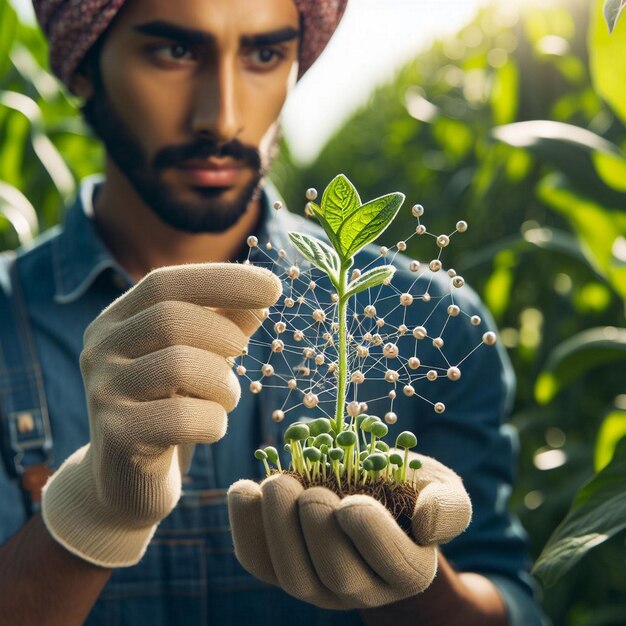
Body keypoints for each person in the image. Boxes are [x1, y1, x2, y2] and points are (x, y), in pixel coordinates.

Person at [0, 0, 547, 624]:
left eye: (265, 54)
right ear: (83, 66)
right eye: (175, 51)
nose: (223, 116)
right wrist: (87, 520)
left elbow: (510, 596)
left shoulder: (434, 322)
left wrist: (416, 585)